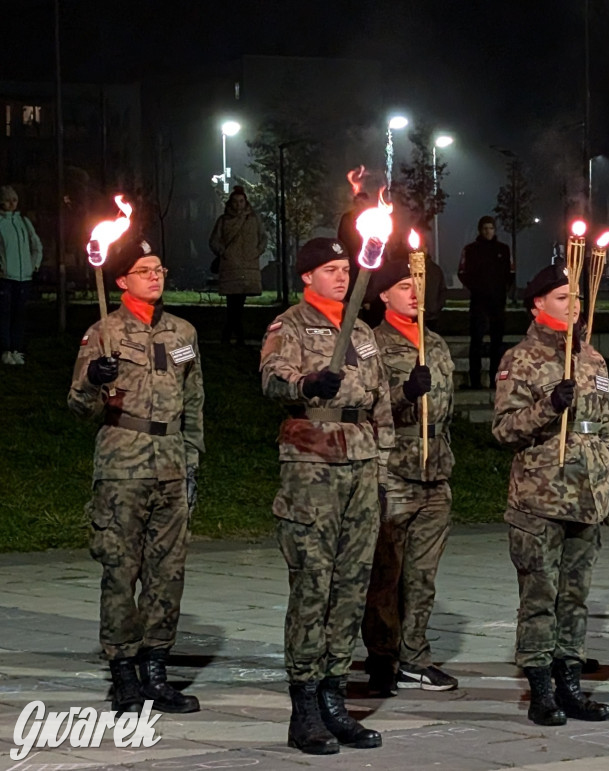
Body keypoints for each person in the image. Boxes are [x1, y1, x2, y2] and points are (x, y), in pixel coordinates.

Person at [260, 237, 393, 755]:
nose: (341, 277)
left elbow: (378, 399)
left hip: (360, 461)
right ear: (307, 277)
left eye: (345, 269)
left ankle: (336, 696)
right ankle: (306, 707)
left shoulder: (359, 329)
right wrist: (307, 381)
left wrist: (382, 464)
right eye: (331, 270)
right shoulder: (289, 325)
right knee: (313, 583)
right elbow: (272, 378)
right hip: (313, 460)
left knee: (352, 585)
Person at [67, 236, 204, 715]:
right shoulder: (102, 333)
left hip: (170, 461)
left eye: (160, 268)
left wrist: (192, 457)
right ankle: (123, 671)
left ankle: (156, 669)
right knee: (121, 570)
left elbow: (194, 401)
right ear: (121, 280)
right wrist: (94, 380)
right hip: (122, 463)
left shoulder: (182, 334)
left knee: (168, 573)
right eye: (144, 269)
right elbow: (79, 407)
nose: (155, 275)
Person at [492, 263, 609, 727]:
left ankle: (570, 685)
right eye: (564, 298)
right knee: (540, 594)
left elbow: (604, 429)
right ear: (537, 305)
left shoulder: (593, 359)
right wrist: (549, 406)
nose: (575, 306)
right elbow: (503, 430)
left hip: (586, 494)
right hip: (541, 495)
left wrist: (607, 480)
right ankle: (540, 689)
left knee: (575, 596)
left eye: (577, 298)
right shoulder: (520, 359)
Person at [361, 259, 458, 698]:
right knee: (386, 572)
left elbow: (448, 408)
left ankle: (415, 655)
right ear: (383, 294)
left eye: (417, 284)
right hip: (393, 465)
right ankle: (383, 656)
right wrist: (405, 394)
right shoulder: (372, 344)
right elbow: (368, 406)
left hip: (434, 467)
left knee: (423, 574)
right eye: (403, 285)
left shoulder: (435, 343)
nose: (414, 292)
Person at [209, 186, 267, 345]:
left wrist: (256, 251)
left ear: (245, 202)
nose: (238, 205)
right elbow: (214, 240)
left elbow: (263, 238)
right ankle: (235, 335)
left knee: (238, 303)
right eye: (235, 202)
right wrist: (224, 252)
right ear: (231, 203)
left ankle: (230, 335)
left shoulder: (254, 220)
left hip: (247, 266)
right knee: (233, 303)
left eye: (241, 201)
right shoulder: (223, 220)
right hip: (231, 267)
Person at [458, 215, 512, 388]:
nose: (488, 231)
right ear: (480, 230)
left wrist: (502, 290)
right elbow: (462, 271)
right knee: (477, 342)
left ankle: (494, 380)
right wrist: (477, 288)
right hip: (479, 303)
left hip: (497, 302)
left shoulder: (503, 249)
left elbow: (510, 273)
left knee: (497, 344)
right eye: (485, 228)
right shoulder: (471, 249)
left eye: (491, 228)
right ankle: (475, 381)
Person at [0, 185, 43, 365]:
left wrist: (33, 265)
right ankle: (5, 350)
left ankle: (16, 349)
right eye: (8, 200)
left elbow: (36, 245)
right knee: (4, 314)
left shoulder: (23, 222)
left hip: (23, 277)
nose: (12, 203)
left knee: (19, 314)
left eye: (15, 200)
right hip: (5, 277)